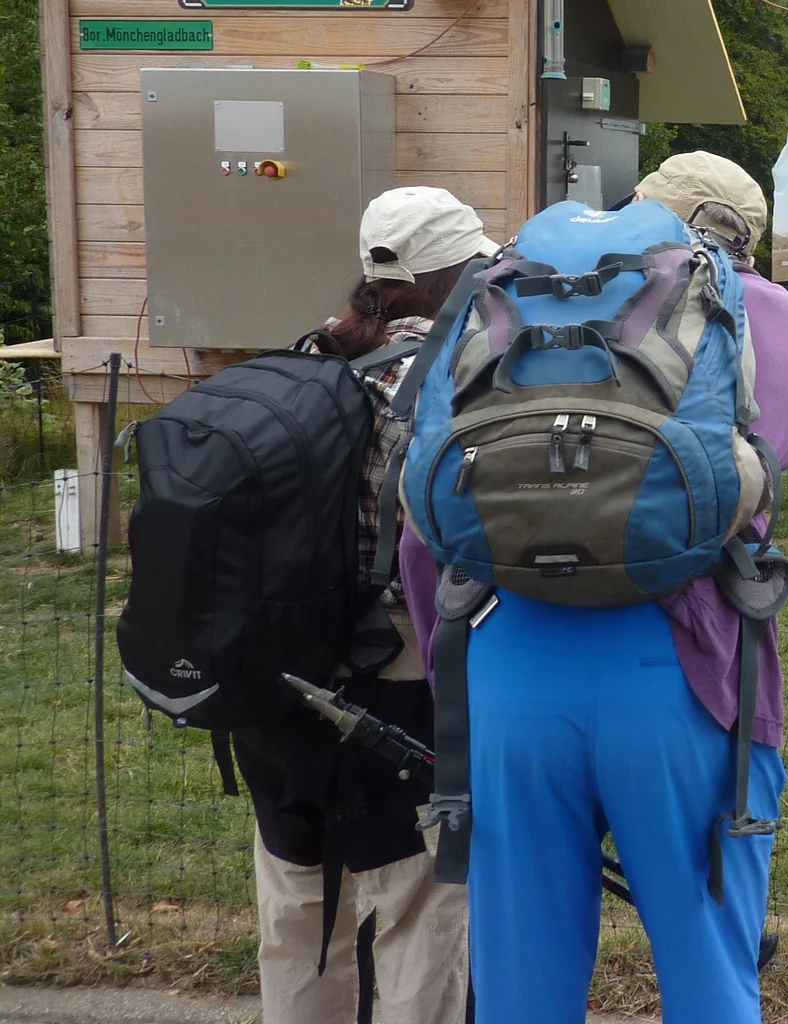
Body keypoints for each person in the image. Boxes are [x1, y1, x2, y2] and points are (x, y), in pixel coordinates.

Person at [399, 152, 788, 1024]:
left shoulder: (518, 300)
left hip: (512, 672)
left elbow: (424, 527)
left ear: (640, 212)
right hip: (691, 685)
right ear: (749, 242)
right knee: (710, 977)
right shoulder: (787, 327)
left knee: (521, 991)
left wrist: (455, 677)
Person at [231, 187, 495, 1024]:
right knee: (420, 904)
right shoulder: (458, 378)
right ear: (453, 275)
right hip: (399, 676)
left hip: (276, 680)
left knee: (297, 907)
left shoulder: (306, 356)